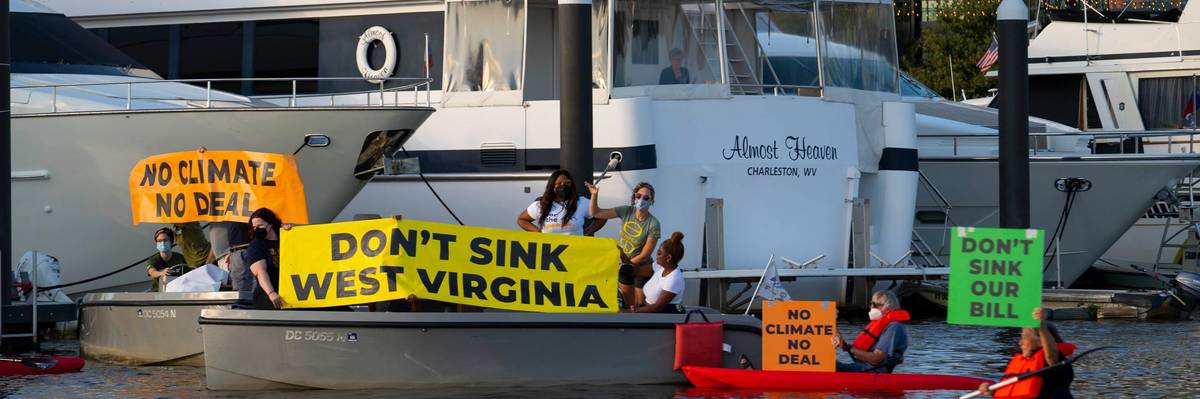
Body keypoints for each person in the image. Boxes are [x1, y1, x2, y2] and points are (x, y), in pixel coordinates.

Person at [585, 181, 661, 307]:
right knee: (628, 304)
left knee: (640, 305)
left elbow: (645, 254)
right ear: (634, 197)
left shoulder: (653, 223)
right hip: (624, 266)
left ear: (652, 201)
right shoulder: (626, 211)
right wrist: (594, 195)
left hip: (641, 268)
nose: (641, 200)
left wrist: (628, 264)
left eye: (646, 198)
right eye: (638, 196)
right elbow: (596, 213)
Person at [976, 307, 1076, 399]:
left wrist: (1041, 325)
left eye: (1024, 337)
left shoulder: (1054, 361)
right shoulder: (1021, 363)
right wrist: (993, 390)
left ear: (1040, 341)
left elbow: (1051, 354)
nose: (1020, 343)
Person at [831, 290, 910, 373]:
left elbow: (876, 359)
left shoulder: (894, 327)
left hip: (874, 373)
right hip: (861, 368)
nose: (872, 307)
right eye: (871, 304)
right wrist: (842, 343)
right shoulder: (878, 325)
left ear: (888, 308)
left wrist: (851, 349)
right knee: (826, 363)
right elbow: (857, 354)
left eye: (876, 305)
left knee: (830, 367)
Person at [518, 169, 590, 235]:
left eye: (567, 183)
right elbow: (522, 220)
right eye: (558, 183)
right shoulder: (540, 204)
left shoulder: (582, 202)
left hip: (575, 247)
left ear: (572, 185)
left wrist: (588, 232)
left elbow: (600, 217)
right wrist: (539, 233)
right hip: (550, 247)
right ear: (552, 186)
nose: (563, 186)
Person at [628, 232, 686, 314]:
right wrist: (624, 260)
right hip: (651, 313)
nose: (656, 256)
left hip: (664, 318)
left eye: (659, 253)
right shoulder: (660, 266)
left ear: (668, 258)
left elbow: (657, 308)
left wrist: (631, 311)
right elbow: (637, 271)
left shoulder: (674, 279)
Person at [243, 208, 284, 309]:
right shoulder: (256, 245)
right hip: (268, 295)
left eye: (260, 225)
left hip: (290, 291)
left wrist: (291, 233)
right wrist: (271, 293)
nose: (257, 229)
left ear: (270, 224)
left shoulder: (284, 239)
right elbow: (260, 271)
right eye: (254, 227)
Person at [147, 227, 189, 292]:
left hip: (177, 292)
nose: (162, 243)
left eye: (165, 240)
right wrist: (161, 273)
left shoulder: (180, 258)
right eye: (159, 241)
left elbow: (188, 274)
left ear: (171, 242)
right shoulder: (153, 259)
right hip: (158, 293)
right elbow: (152, 272)